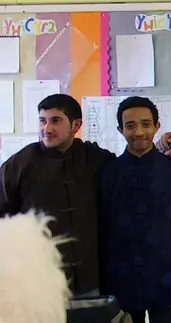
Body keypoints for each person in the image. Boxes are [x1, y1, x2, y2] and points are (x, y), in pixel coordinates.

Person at [99, 96, 171, 323]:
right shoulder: (107, 173)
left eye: (145, 124)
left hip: (169, 275)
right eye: (130, 125)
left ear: (157, 126)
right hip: (121, 277)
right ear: (120, 129)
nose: (138, 132)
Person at [0, 93, 114, 296]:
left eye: (56, 121)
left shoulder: (97, 160)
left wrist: (169, 147)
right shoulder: (19, 164)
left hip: (90, 279)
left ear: (76, 125)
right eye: (42, 121)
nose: (47, 129)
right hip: (38, 281)